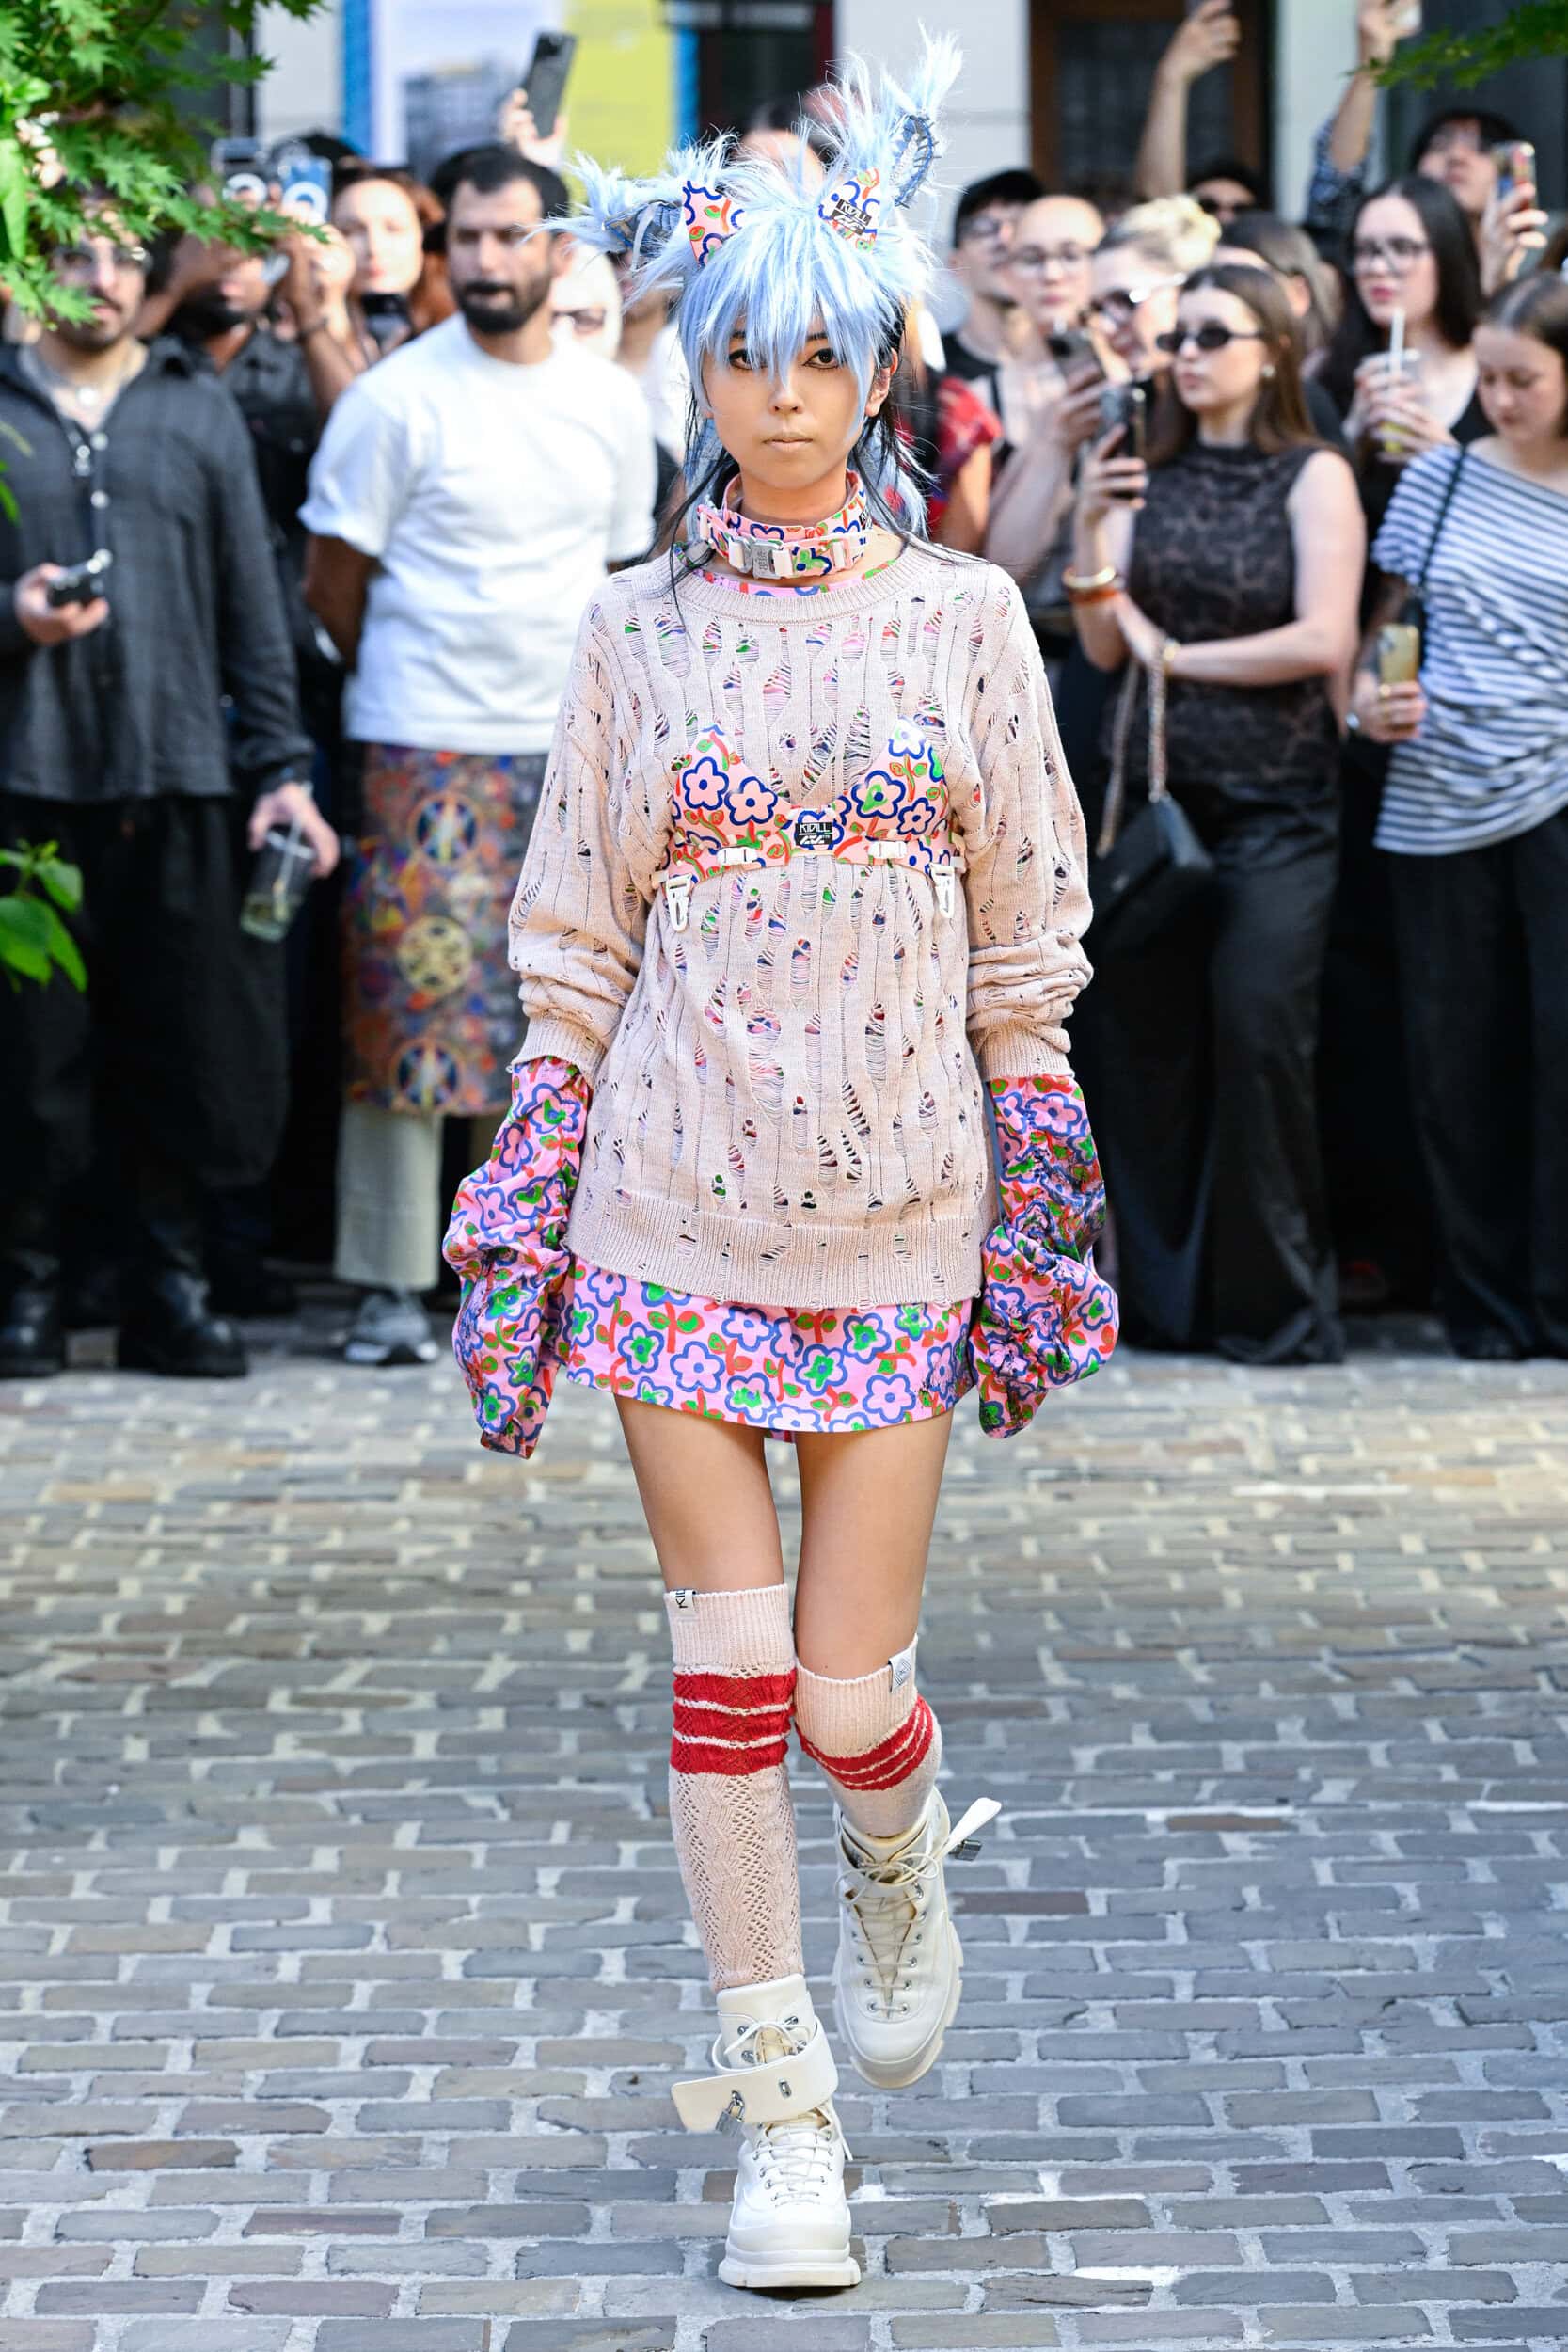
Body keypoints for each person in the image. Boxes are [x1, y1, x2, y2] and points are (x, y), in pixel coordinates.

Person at [444, 40, 1116, 2295]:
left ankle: (896, 1846)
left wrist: (1037, 1154)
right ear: (701, 370)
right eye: (747, 356)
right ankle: (783, 2114)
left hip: (901, 1200)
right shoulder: (631, 628)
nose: (785, 396)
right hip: (665, 1197)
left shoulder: (963, 621)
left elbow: (1024, 929)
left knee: (844, 1689)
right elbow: (570, 928)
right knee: (725, 1670)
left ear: (883, 367)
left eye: (823, 356)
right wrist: (537, 1162)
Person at [301, 143, 657, 1370]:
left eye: (511, 237)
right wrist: (411, 680)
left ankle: (524, 1268)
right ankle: (389, 1282)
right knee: (406, 1003)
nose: (487, 260)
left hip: (567, 746)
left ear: (557, 250)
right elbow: (333, 580)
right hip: (421, 738)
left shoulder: (606, 402)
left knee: (553, 1004)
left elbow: (621, 576)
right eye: (467, 239)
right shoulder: (395, 398)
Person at [0, 212, 335, 1382]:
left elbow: (254, 600)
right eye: (71, 255)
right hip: (25, 781)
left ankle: (170, 1288)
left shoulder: (195, 405)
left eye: (119, 258)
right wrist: (13, 617)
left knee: (179, 1046)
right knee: (29, 1056)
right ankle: (30, 1289)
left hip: (178, 770)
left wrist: (282, 771)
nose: (96, 278)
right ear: (32, 267)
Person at [1069, 263, 1363, 1363]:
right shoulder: (1144, 468)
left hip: (1277, 804)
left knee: (1255, 1033)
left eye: (1211, 335)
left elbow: (1323, 638)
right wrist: (1088, 529)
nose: (1184, 355)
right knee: (1144, 1044)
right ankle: (1160, 1305)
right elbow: (1104, 642)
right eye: (1176, 336)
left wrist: (1177, 656)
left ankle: (1273, 1309)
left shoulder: (1312, 472)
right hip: (1160, 804)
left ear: (1271, 349)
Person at [1349, 273, 1568, 1359]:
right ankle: (1479, 1305)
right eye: (1485, 378)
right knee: (1452, 1061)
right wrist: (1368, 698)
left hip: (1556, 794)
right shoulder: (1436, 479)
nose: (1498, 398)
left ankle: (1556, 1297)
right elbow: (1385, 627)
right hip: (1435, 796)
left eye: (1522, 379)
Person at [1306, 4, 1545, 290]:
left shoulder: (1538, 280)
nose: (1456, 156)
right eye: (1439, 145)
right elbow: (1337, 185)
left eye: (1482, 147)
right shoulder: (1378, 269)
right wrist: (1371, 61)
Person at [982, 195, 1110, 673]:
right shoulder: (977, 394)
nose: (1052, 275)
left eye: (1071, 255)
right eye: (1032, 259)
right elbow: (1000, 567)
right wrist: (1052, 442)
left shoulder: (1149, 378)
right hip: (1027, 650)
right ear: (1009, 274)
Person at [286, 164, 454, 420]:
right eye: (352, 231)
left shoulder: (459, 327)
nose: (375, 247)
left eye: (393, 229)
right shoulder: (291, 334)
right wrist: (329, 304)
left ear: (424, 235)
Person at [1132, 2, 1269, 223]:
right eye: (1207, 206)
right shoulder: (1177, 236)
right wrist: (1171, 78)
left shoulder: (1274, 244)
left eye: (1242, 209)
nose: (1224, 216)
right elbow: (1160, 207)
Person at [943, 166, 1046, 408]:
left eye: (1020, 225)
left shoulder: (1076, 364)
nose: (1005, 239)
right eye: (983, 229)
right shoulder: (928, 369)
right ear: (956, 264)